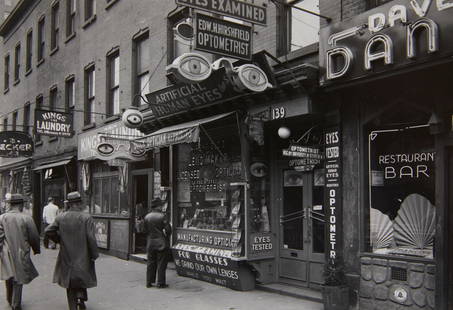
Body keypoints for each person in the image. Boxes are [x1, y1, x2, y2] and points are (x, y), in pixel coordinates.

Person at [45, 191, 99, 310]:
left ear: (69, 204)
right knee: (82, 276)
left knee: (69, 280)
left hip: (67, 254)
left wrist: (59, 240)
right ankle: (81, 297)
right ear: (79, 203)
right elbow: (91, 238)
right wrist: (94, 253)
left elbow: (48, 231)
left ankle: (73, 306)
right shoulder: (86, 217)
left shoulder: (61, 217)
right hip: (83, 253)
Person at [0, 193, 40, 310]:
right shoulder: (26, 218)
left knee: (9, 275)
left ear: (10, 205)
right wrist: (36, 249)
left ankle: (9, 298)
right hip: (21, 251)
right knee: (19, 278)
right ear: (21, 205)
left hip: (6, 252)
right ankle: (16, 304)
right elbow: (34, 236)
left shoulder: (2, 218)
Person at [144, 198, 172, 288]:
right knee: (161, 263)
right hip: (161, 243)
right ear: (158, 206)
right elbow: (168, 230)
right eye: (161, 205)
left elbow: (144, 230)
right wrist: (166, 236)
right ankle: (160, 282)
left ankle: (149, 282)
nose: (162, 207)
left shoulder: (147, 216)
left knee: (150, 263)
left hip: (150, 243)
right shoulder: (162, 216)